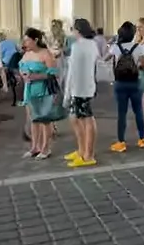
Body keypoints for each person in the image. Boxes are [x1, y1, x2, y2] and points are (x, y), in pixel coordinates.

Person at [63, 19, 100, 168]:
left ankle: (88, 155)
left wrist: (67, 93)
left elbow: (72, 72)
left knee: (85, 119)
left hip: (79, 88)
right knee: (76, 118)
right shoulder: (92, 45)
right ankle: (82, 150)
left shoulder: (78, 46)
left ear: (77, 31)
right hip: (87, 86)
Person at [19, 28, 60, 159]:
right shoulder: (27, 54)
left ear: (35, 40)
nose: (25, 43)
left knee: (44, 120)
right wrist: (24, 75)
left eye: (27, 40)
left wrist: (36, 76)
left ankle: (45, 148)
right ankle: (34, 147)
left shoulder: (45, 53)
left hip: (43, 89)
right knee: (33, 119)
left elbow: (53, 73)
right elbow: (22, 67)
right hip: (29, 89)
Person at [108, 22, 144, 153]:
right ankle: (142, 140)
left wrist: (113, 43)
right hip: (135, 83)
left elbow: (104, 58)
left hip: (120, 83)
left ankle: (121, 142)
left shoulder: (115, 47)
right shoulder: (138, 47)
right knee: (138, 111)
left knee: (122, 113)